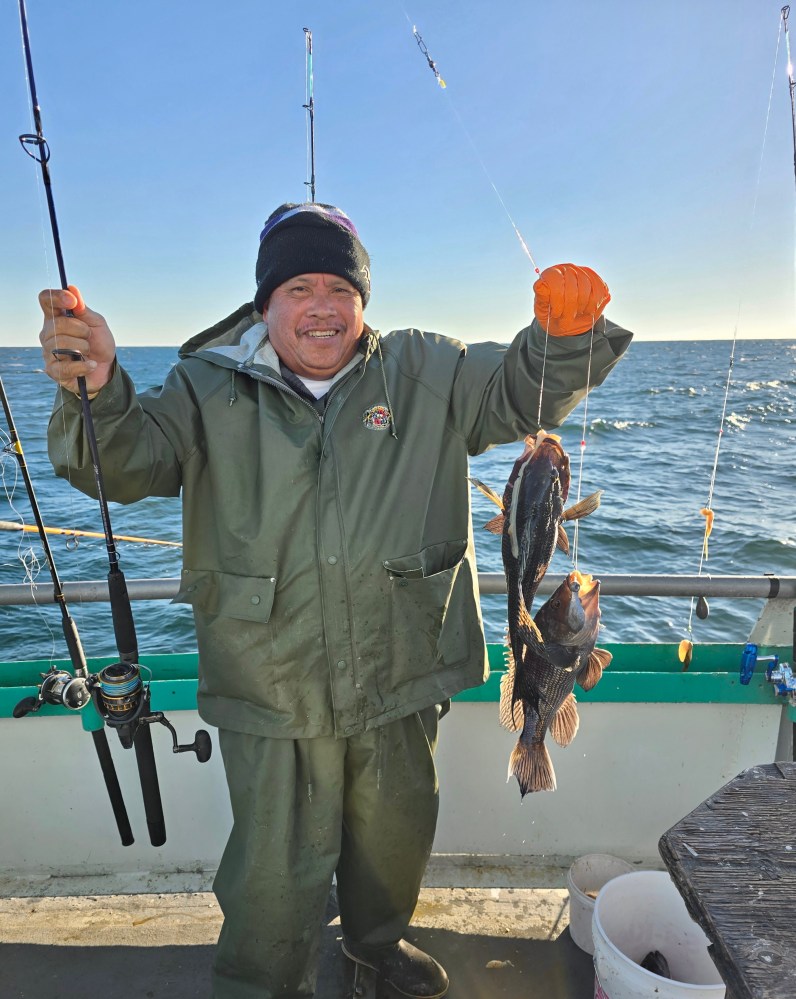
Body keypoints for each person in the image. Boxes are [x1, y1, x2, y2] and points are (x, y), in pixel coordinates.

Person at [38, 202, 632, 999]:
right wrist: (100, 390)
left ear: (363, 300)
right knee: (272, 875)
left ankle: (375, 945)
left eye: (338, 288)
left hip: (400, 670)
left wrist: (563, 339)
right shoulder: (203, 387)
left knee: (395, 838)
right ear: (264, 305)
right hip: (269, 679)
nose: (321, 306)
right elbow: (127, 462)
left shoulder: (427, 368)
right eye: (297, 288)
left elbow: (516, 393)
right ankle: (260, 981)